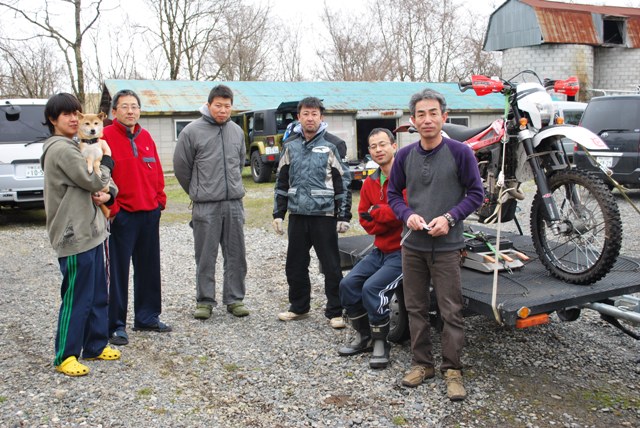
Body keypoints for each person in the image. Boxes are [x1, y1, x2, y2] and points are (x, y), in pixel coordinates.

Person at [387, 88, 483, 401]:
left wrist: (450, 218)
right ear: (413, 121)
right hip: (413, 246)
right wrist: (407, 215)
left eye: (433, 113)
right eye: (421, 114)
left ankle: (452, 370)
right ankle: (422, 363)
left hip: (447, 246)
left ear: (444, 117)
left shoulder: (460, 152)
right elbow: (393, 194)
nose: (427, 120)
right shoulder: (404, 156)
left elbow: (476, 194)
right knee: (415, 307)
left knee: (450, 309)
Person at [41, 93, 121, 376]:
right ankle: (66, 354)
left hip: (92, 230)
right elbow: (93, 179)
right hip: (74, 233)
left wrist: (109, 193)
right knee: (77, 295)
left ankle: (95, 345)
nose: (74, 119)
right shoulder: (61, 149)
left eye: (76, 113)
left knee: (97, 292)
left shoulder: (77, 145)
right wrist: (108, 160)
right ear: (52, 119)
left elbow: (107, 186)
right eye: (66, 114)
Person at [272, 97, 352, 329]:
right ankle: (299, 307)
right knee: (295, 265)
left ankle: (335, 311)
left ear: (321, 117)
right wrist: (278, 213)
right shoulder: (290, 145)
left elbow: (343, 182)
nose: (310, 118)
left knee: (331, 266)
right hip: (297, 215)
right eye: (305, 114)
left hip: (324, 216)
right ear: (298, 117)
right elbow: (281, 181)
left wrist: (343, 215)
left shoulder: (333, 144)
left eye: (314, 114)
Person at [173, 84, 250, 320]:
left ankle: (235, 299)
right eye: (218, 105)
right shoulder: (191, 131)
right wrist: (198, 190)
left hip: (233, 203)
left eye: (227, 106)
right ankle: (205, 300)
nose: (223, 110)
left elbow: (239, 163)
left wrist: (230, 187)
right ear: (208, 105)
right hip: (205, 204)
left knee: (236, 254)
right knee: (205, 255)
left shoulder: (236, 131)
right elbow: (181, 168)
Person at [103, 89, 171, 346]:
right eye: (124, 106)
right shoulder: (105, 137)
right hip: (122, 216)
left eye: (134, 106)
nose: (130, 111)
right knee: (117, 273)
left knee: (149, 269)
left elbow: (157, 173)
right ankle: (115, 325)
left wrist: (159, 201)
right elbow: (101, 176)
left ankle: (147, 317)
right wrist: (114, 209)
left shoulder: (146, 137)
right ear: (114, 111)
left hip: (149, 214)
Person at [338, 128, 403, 369]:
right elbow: (365, 220)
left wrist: (379, 212)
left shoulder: (406, 178)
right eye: (373, 146)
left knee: (372, 288)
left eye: (383, 144)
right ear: (369, 151)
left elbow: (405, 212)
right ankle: (364, 336)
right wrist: (386, 215)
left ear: (394, 146)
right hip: (380, 249)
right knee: (348, 284)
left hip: (403, 251)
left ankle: (381, 342)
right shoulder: (370, 183)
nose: (378, 150)